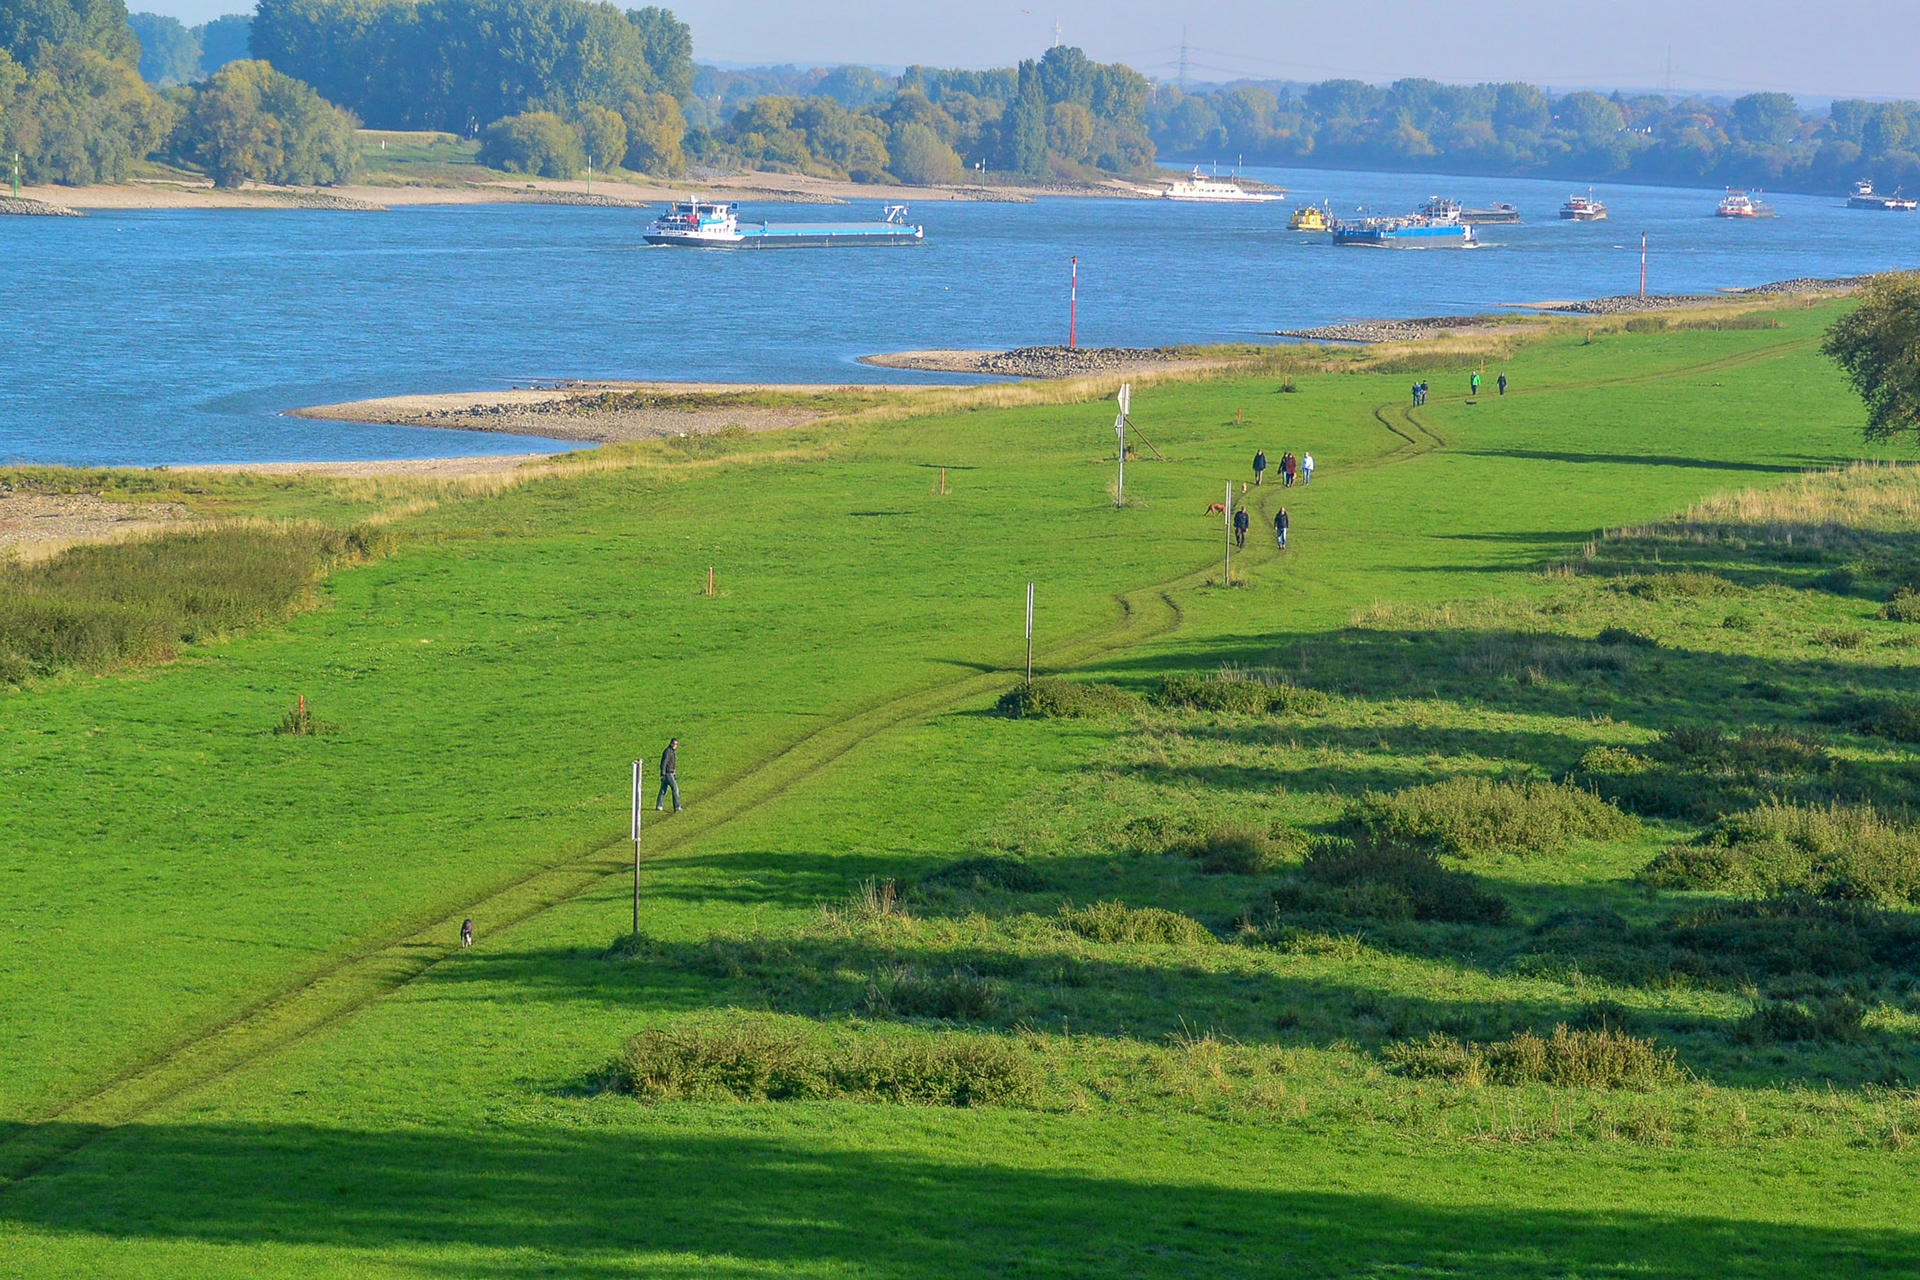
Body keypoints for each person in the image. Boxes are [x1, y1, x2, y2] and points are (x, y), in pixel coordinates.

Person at [656, 737, 681, 812]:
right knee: (675, 789)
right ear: (671, 743)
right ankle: (677, 807)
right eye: (674, 743)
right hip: (668, 773)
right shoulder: (668, 752)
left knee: (663, 790)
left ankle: (659, 805)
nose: (675, 745)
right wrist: (663, 773)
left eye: (676, 744)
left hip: (670, 772)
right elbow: (664, 763)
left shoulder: (672, 752)